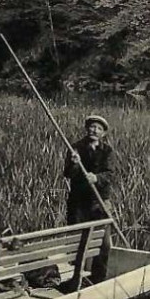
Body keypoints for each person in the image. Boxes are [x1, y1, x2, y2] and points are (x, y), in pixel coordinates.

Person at [64, 115, 114, 280]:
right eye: (92, 127)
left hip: (100, 202)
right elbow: (68, 174)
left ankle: (98, 279)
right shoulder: (76, 148)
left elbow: (110, 175)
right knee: (78, 243)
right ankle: (77, 279)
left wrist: (97, 178)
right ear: (87, 128)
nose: (95, 130)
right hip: (79, 203)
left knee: (104, 244)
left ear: (103, 133)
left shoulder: (107, 151)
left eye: (99, 128)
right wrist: (74, 164)